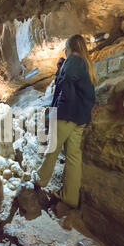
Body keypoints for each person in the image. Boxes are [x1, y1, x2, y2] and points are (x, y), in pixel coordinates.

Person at [34, 34, 97, 209]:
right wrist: (60, 69)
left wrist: (61, 70)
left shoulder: (74, 60)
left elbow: (65, 81)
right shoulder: (87, 65)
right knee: (73, 157)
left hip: (67, 115)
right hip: (80, 118)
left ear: (71, 47)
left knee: (52, 149)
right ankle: (70, 196)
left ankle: (40, 179)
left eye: (65, 48)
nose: (65, 51)